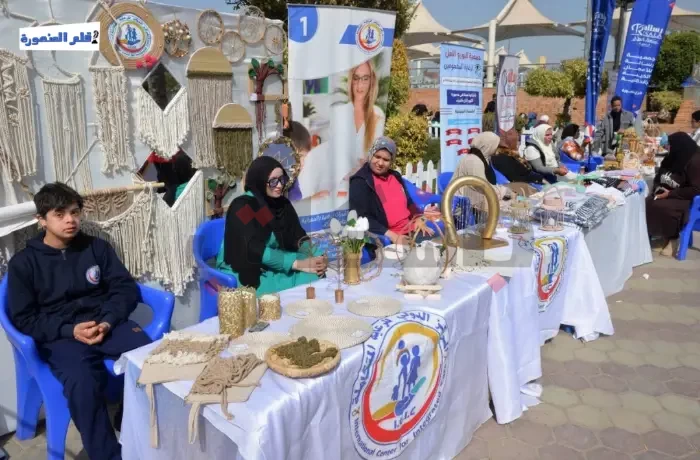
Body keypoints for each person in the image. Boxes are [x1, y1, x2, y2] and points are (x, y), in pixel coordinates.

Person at [6, 183, 150, 460]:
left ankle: (127, 420)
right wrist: (69, 330)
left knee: (150, 358)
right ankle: (107, 455)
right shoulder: (23, 264)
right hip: (61, 336)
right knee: (83, 384)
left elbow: (125, 289)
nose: (70, 220)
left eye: (74, 212)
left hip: (104, 323)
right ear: (41, 220)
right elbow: (24, 318)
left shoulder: (96, 248)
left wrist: (107, 322)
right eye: (59, 214)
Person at [217, 156, 327, 294]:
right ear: (260, 180)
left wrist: (318, 257)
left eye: (282, 179)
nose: (279, 185)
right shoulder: (244, 206)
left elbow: (298, 236)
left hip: (274, 264)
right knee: (278, 295)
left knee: (315, 275)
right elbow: (252, 248)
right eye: (273, 181)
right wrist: (296, 264)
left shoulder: (281, 204)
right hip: (246, 268)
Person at [349, 136, 435, 247]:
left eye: (386, 160)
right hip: (389, 237)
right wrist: (393, 236)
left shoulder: (395, 176)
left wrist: (418, 217)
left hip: (412, 229)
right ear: (371, 155)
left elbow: (408, 201)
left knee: (441, 243)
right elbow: (360, 217)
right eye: (377, 157)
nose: (380, 163)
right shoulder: (361, 181)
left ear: (391, 161)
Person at [330, 60, 385, 199]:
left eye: (365, 79)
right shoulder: (339, 113)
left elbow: (375, 156)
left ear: (372, 82)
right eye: (356, 78)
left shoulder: (377, 114)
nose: (360, 85)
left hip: (364, 185)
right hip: (338, 186)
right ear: (351, 81)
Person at [647, 132, 700, 256]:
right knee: (647, 202)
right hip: (667, 192)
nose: (669, 148)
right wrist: (657, 188)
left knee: (663, 207)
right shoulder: (673, 156)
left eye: (670, 145)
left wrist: (670, 194)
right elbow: (659, 175)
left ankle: (672, 239)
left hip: (685, 197)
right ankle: (660, 235)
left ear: (680, 146)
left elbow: (696, 189)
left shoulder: (695, 162)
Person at [451, 132, 511, 209]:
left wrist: (504, 190)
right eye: (495, 146)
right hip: (462, 205)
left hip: (475, 198)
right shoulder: (473, 161)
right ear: (488, 146)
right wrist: (504, 191)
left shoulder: (484, 159)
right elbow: (483, 187)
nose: (496, 149)